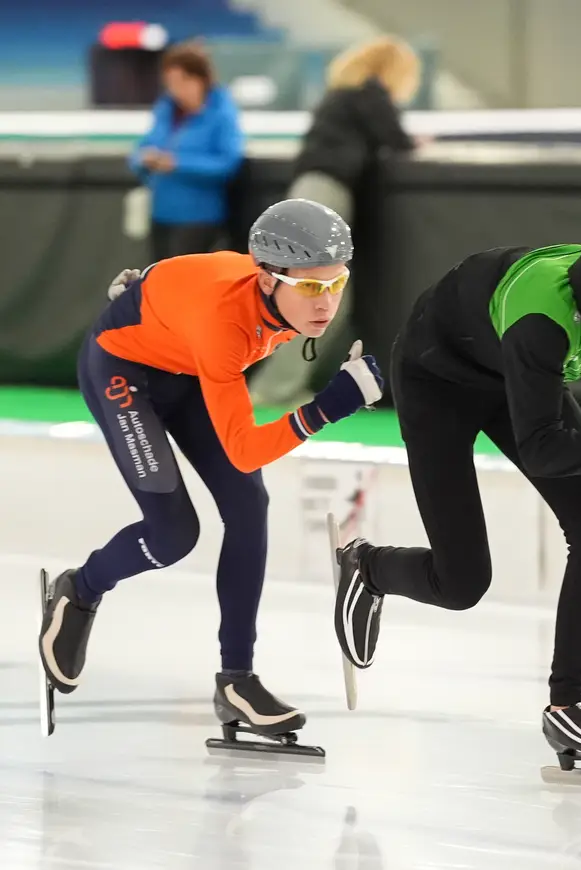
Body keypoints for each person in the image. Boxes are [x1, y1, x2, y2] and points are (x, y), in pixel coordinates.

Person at [329, 210, 581, 771]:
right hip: (435, 381)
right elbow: (544, 450)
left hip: (509, 371)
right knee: (462, 582)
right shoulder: (544, 317)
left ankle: (567, 707)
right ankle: (367, 568)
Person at [38, 199, 383, 750]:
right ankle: (79, 589)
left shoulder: (272, 293)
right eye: (312, 289)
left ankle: (237, 681)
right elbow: (246, 450)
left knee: (249, 506)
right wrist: (324, 408)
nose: (327, 303)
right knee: (174, 534)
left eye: (337, 283)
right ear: (268, 281)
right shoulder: (225, 322)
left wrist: (147, 285)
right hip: (124, 372)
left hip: (189, 366)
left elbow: (190, 270)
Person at [250, 35, 421, 408]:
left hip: (312, 191)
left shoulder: (341, 97)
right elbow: (397, 137)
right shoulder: (367, 94)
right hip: (324, 194)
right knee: (320, 299)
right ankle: (270, 389)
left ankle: (272, 386)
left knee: (311, 297)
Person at [129, 41, 244, 263]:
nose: (176, 90)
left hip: (199, 217)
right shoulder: (166, 111)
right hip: (161, 212)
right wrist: (143, 160)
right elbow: (142, 147)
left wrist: (178, 164)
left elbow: (228, 163)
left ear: (200, 79)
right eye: (170, 83)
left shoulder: (221, 114)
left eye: (181, 82)